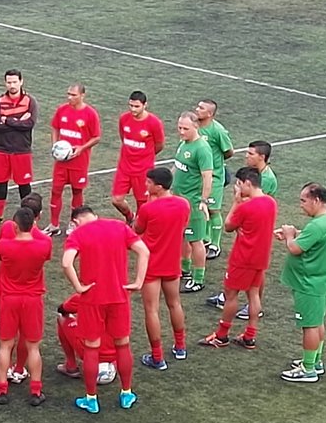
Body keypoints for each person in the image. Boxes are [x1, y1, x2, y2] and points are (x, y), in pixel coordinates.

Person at [62, 205, 149, 413]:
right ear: (95, 216)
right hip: (119, 297)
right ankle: (126, 393)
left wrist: (79, 287)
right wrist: (138, 282)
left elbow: (66, 263)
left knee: (92, 346)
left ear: (75, 222)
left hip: (92, 299)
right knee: (123, 344)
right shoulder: (119, 227)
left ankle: (91, 399)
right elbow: (144, 251)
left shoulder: (79, 234)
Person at [199, 166, 278, 351]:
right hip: (261, 257)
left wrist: (236, 202)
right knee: (253, 294)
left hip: (243, 258)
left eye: (239, 184)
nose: (238, 187)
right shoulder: (271, 202)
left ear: (248, 184)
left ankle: (221, 336)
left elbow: (228, 226)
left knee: (231, 295)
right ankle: (250, 336)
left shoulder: (246, 207)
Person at [276, 183, 326, 383]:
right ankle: (315, 361)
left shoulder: (318, 224)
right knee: (317, 322)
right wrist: (295, 233)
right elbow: (313, 237)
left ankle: (308, 369)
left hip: (308, 283)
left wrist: (289, 236)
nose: (301, 205)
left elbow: (295, 249)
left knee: (309, 325)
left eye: (303, 201)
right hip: (319, 281)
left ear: (316, 200)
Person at [208, 140, 279, 316]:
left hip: (254, 231)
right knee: (254, 270)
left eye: (251, 153)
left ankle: (251, 305)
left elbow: (256, 205)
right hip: (249, 228)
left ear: (262, 157)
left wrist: (238, 203)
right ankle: (236, 298)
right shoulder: (255, 175)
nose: (246, 156)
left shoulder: (267, 180)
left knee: (256, 272)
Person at [0, 207, 52, 406]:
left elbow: (1, 259)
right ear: (34, 223)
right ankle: (36, 391)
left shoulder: (4, 245)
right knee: (33, 347)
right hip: (33, 299)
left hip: (10, 298)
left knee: (5, 345)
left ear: (15, 226)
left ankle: (2, 389)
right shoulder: (44, 246)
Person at [133, 168, 190, 370]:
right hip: (172, 263)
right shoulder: (183, 205)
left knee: (152, 310)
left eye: (148, 183)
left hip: (151, 265)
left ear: (158, 186)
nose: (145, 186)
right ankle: (180, 347)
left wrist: (148, 203)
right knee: (175, 304)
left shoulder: (148, 209)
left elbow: (137, 230)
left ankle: (157, 357)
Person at [46, 82, 101, 236]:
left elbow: (96, 137)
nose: (69, 97)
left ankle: (73, 223)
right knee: (56, 191)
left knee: (77, 192)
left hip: (79, 162)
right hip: (61, 162)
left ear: (82, 95)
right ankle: (54, 224)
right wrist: (55, 145)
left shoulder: (90, 114)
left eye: (73, 95)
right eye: (68, 94)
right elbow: (55, 127)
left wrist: (81, 148)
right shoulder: (62, 110)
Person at [0, 69, 37, 227]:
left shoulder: (30, 101)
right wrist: (18, 121)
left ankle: (30, 216)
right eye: (9, 82)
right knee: (1, 182)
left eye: (15, 82)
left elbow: (29, 124)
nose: (12, 85)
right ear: (5, 83)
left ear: (21, 82)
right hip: (1, 149)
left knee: (24, 184)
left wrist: (7, 120)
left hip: (22, 149)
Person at [171, 112, 214, 293]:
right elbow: (177, 166)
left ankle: (198, 279)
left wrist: (203, 201)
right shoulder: (183, 144)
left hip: (193, 202)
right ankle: (185, 269)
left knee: (196, 240)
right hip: (179, 200)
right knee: (182, 235)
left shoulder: (202, 149)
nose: (181, 131)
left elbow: (207, 176)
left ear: (195, 127)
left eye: (185, 128)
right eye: (179, 127)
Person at [111, 90, 165, 224]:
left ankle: (139, 230)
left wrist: (146, 156)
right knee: (116, 200)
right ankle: (130, 216)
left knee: (142, 203)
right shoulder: (124, 119)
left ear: (145, 105)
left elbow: (159, 144)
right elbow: (124, 138)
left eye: (136, 106)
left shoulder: (154, 122)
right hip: (124, 167)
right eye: (131, 106)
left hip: (143, 170)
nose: (133, 109)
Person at [194, 98, 234, 260]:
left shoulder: (217, 131)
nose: (197, 109)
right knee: (200, 208)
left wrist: (216, 163)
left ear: (209, 113)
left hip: (215, 176)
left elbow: (229, 151)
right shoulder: (195, 127)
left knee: (213, 209)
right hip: (197, 176)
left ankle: (215, 245)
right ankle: (205, 238)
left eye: (201, 108)